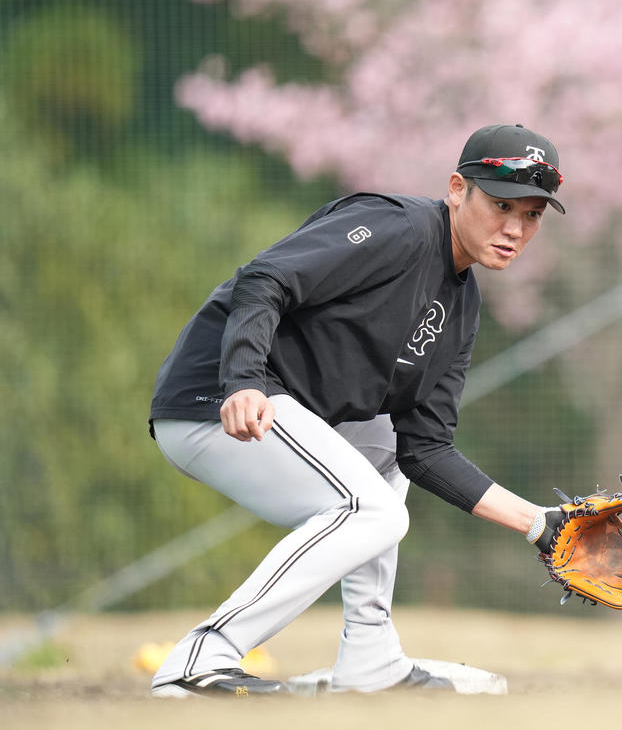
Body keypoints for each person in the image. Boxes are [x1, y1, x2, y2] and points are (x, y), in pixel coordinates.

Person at [146, 124, 567, 697]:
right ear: (456, 189)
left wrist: (538, 524)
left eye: (533, 214)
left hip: (280, 409)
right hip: (214, 401)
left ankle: (371, 658)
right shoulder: (400, 228)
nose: (515, 228)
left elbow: (425, 449)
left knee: (386, 453)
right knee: (373, 512)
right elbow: (265, 278)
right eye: (500, 204)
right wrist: (242, 379)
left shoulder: (463, 301)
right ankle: (199, 659)